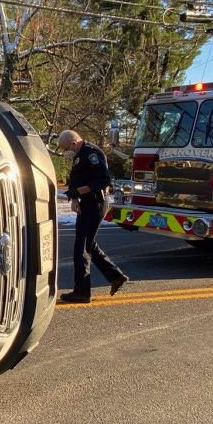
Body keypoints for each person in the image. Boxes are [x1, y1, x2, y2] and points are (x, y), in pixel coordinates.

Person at [57, 129, 127, 304]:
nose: (65, 152)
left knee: (81, 249)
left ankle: (82, 292)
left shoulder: (93, 153)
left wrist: (78, 192)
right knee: (89, 245)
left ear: (73, 143)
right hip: (86, 204)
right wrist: (74, 198)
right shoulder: (79, 155)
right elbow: (76, 179)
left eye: (66, 148)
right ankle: (116, 276)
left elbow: (103, 181)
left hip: (96, 204)